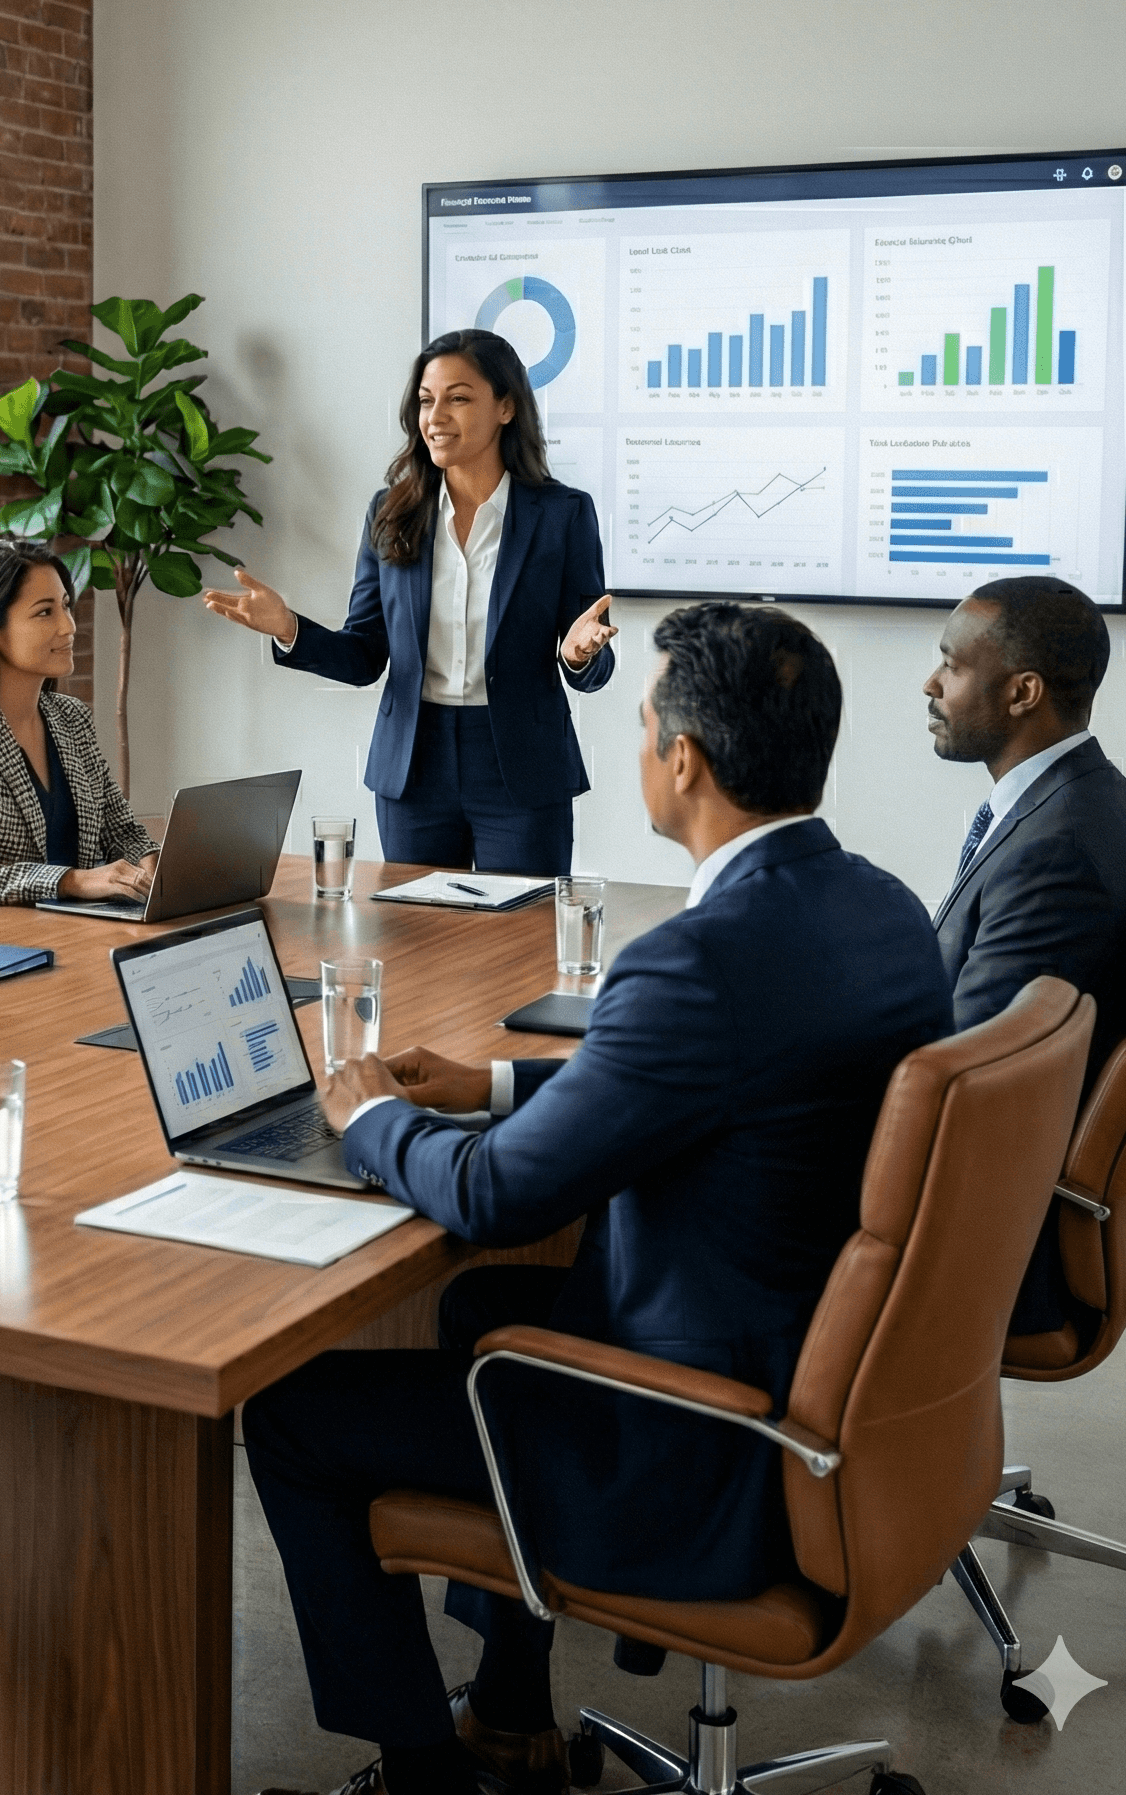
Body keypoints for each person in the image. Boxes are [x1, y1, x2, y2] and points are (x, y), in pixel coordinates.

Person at [242, 602, 954, 1795]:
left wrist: (369, 1113)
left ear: (682, 759)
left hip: (706, 1443)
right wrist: (501, 1077)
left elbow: (492, 1194)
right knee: (481, 1317)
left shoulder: (694, 956)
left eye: (637, 726)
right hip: (840, 1398)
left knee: (296, 1413)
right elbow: (729, 1078)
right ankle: (510, 1708)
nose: (634, 749)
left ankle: (423, 1773)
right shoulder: (878, 905)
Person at [201, 330, 616, 875]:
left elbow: (590, 661)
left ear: (507, 406)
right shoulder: (391, 512)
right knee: (419, 945)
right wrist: (289, 628)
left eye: (458, 397)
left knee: (521, 943)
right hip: (415, 767)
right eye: (426, 400)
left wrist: (580, 654)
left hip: (522, 766)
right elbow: (365, 655)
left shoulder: (562, 515)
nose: (435, 416)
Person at [924, 573, 1126, 1335]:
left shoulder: (1058, 849)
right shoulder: (1088, 799)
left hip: (990, 1234)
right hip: (1001, 1188)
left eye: (953, 666)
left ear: (1023, 692)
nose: (929, 684)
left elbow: (966, 1074)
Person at [0, 538, 158, 907]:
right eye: (44, 612)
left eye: (66, 606)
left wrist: (152, 866)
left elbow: (122, 829)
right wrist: (71, 881)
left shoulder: (71, 717)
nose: (68, 627)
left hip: (72, 931)